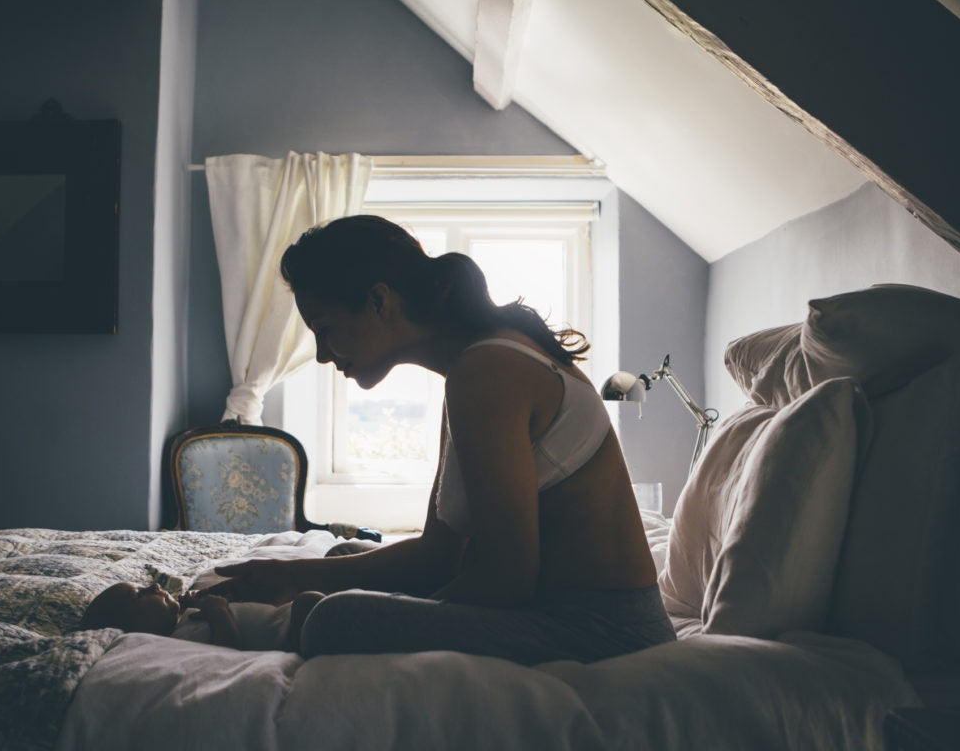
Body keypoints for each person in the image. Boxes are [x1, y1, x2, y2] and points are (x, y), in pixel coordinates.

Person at [209, 215, 675, 665]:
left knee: (330, 618)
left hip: (602, 631)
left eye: (325, 330)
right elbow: (439, 553)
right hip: (553, 608)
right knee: (341, 556)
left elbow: (508, 578)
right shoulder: (472, 365)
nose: (322, 355)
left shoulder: (487, 370)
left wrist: (392, 611)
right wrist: (290, 574)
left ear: (379, 301)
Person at [79, 582, 290, 651]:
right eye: (140, 595)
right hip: (289, 633)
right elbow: (228, 653)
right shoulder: (179, 644)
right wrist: (219, 611)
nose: (154, 585)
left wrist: (186, 609)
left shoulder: (181, 625)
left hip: (285, 616)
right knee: (310, 601)